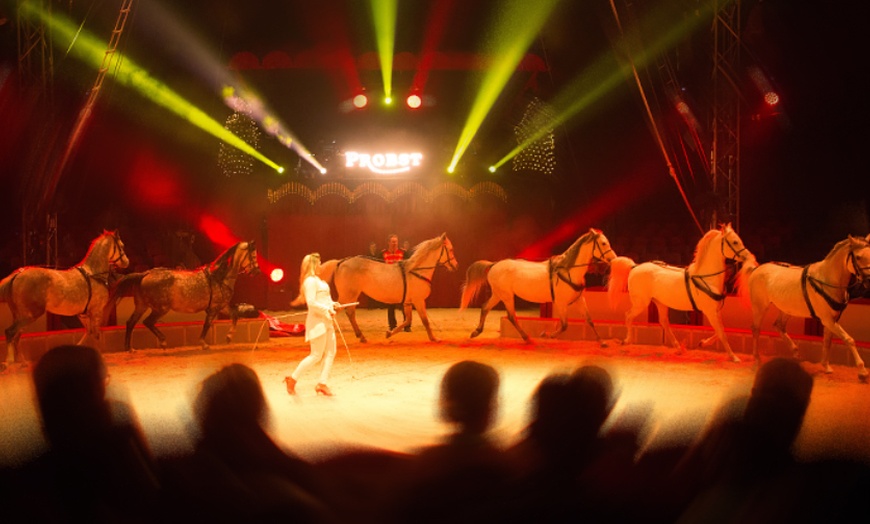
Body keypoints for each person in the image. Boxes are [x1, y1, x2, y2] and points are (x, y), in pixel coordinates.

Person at [285, 253, 341, 397]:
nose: (321, 265)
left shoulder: (318, 280)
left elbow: (324, 299)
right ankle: (292, 378)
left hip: (327, 320)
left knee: (331, 352)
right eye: (319, 262)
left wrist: (333, 304)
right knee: (316, 355)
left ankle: (322, 383)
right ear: (313, 264)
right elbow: (311, 303)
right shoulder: (310, 281)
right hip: (317, 322)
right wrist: (326, 309)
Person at [381, 233, 411, 332]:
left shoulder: (403, 252)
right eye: (393, 242)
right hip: (389, 283)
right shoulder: (383, 254)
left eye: (396, 242)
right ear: (388, 242)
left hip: (401, 283)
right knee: (390, 305)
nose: (394, 244)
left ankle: (406, 326)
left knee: (405, 304)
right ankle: (392, 325)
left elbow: (409, 265)